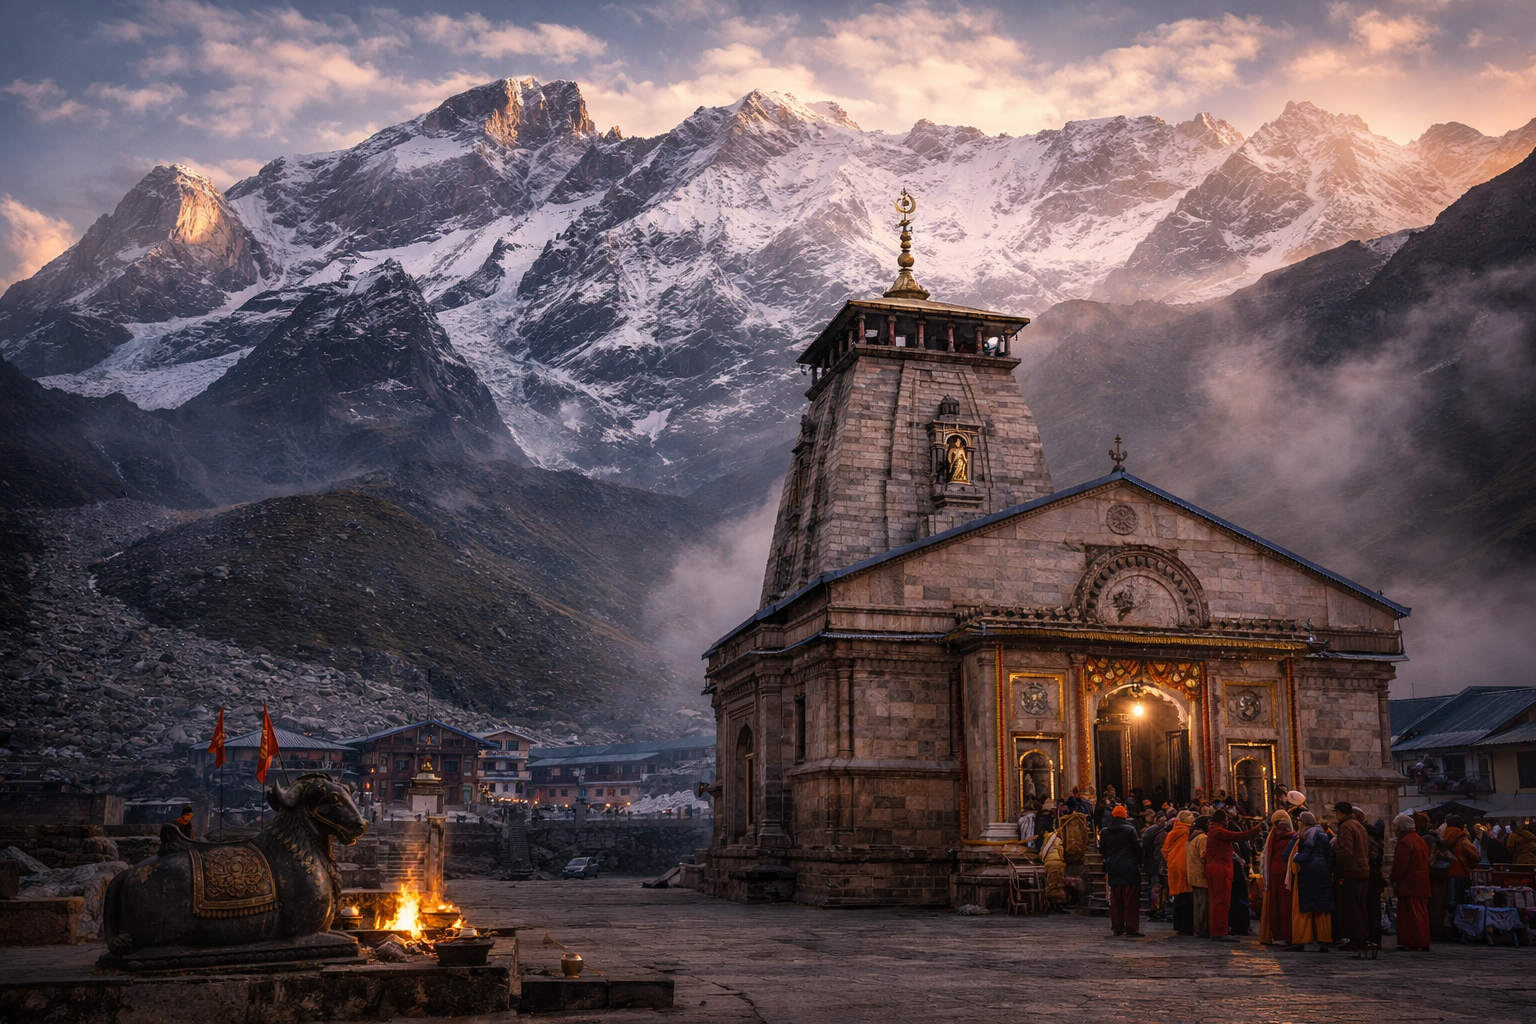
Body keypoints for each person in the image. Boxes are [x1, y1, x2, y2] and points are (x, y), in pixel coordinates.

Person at [1203, 809, 1259, 941]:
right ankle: (1220, 930)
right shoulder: (1219, 831)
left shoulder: (1213, 830)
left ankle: (1216, 929)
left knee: (1215, 901)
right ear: (1224, 820)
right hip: (1220, 869)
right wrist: (1257, 829)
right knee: (1222, 901)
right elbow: (1239, 836)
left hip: (1213, 868)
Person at [1288, 811, 1335, 952]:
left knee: (1305, 908)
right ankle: (1324, 940)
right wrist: (1327, 868)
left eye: (1299, 821)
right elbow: (1330, 854)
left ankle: (1301, 939)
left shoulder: (1306, 835)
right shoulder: (1322, 834)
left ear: (1303, 823)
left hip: (1308, 872)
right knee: (1322, 908)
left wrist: (1294, 857)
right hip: (1322, 872)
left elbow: (1302, 854)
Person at [1099, 805, 1144, 937]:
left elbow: (1102, 849)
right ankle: (1131, 928)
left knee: (1116, 898)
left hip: (1113, 866)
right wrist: (1140, 862)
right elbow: (1137, 848)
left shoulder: (1105, 831)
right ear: (1125, 815)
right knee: (1130, 899)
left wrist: (1109, 859)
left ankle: (1117, 927)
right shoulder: (1130, 829)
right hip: (1129, 866)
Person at [1331, 801, 1371, 951]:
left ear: (1341, 813)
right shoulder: (1358, 825)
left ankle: (1355, 938)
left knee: (1350, 906)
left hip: (1351, 872)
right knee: (1360, 906)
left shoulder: (1346, 826)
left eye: (1336, 812)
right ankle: (1361, 936)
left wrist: (1340, 871)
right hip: (1362, 870)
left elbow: (1345, 851)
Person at [1390, 812, 1432, 951]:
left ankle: (1413, 941)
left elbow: (1400, 865)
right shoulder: (1420, 840)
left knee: (1411, 916)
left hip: (1410, 884)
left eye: (1395, 826)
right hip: (1422, 882)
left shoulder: (1405, 842)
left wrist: (1394, 878)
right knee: (1421, 914)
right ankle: (1423, 940)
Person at [1259, 810, 1295, 946]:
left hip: (1275, 871)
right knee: (1286, 903)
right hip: (1285, 872)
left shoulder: (1273, 837)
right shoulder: (1293, 838)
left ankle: (1279, 932)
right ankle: (1288, 933)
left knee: (1277, 902)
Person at [1163, 810, 1195, 935]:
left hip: (1173, 866)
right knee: (1187, 898)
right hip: (1186, 866)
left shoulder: (1172, 833)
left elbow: (1165, 850)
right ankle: (1186, 926)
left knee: (1178, 897)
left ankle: (1178, 925)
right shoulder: (1188, 832)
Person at [1142, 810, 1171, 921]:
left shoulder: (1149, 832)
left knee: (1153, 886)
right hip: (1156, 864)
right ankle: (1156, 910)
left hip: (1149, 863)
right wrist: (1162, 865)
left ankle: (1154, 909)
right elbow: (1159, 852)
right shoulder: (1161, 835)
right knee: (1157, 887)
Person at [1187, 815, 1211, 938]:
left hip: (1193, 874)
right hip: (1201, 875)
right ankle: (1201, 929)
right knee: (1203, 903)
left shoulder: (1192, 837)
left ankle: (1198, 928)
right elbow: (1205, 855)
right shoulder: (1202, 838)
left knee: (1198, 903)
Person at [1041, 829, 1070, 913]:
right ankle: (1059, 904)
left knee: (1051, 883)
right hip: (1058, 863)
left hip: (1048, 863)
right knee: (1058, 884)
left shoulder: (1046, 841)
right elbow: (1061, 852)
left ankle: (1051, 902)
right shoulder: (1058, 840)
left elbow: (1041, 853)